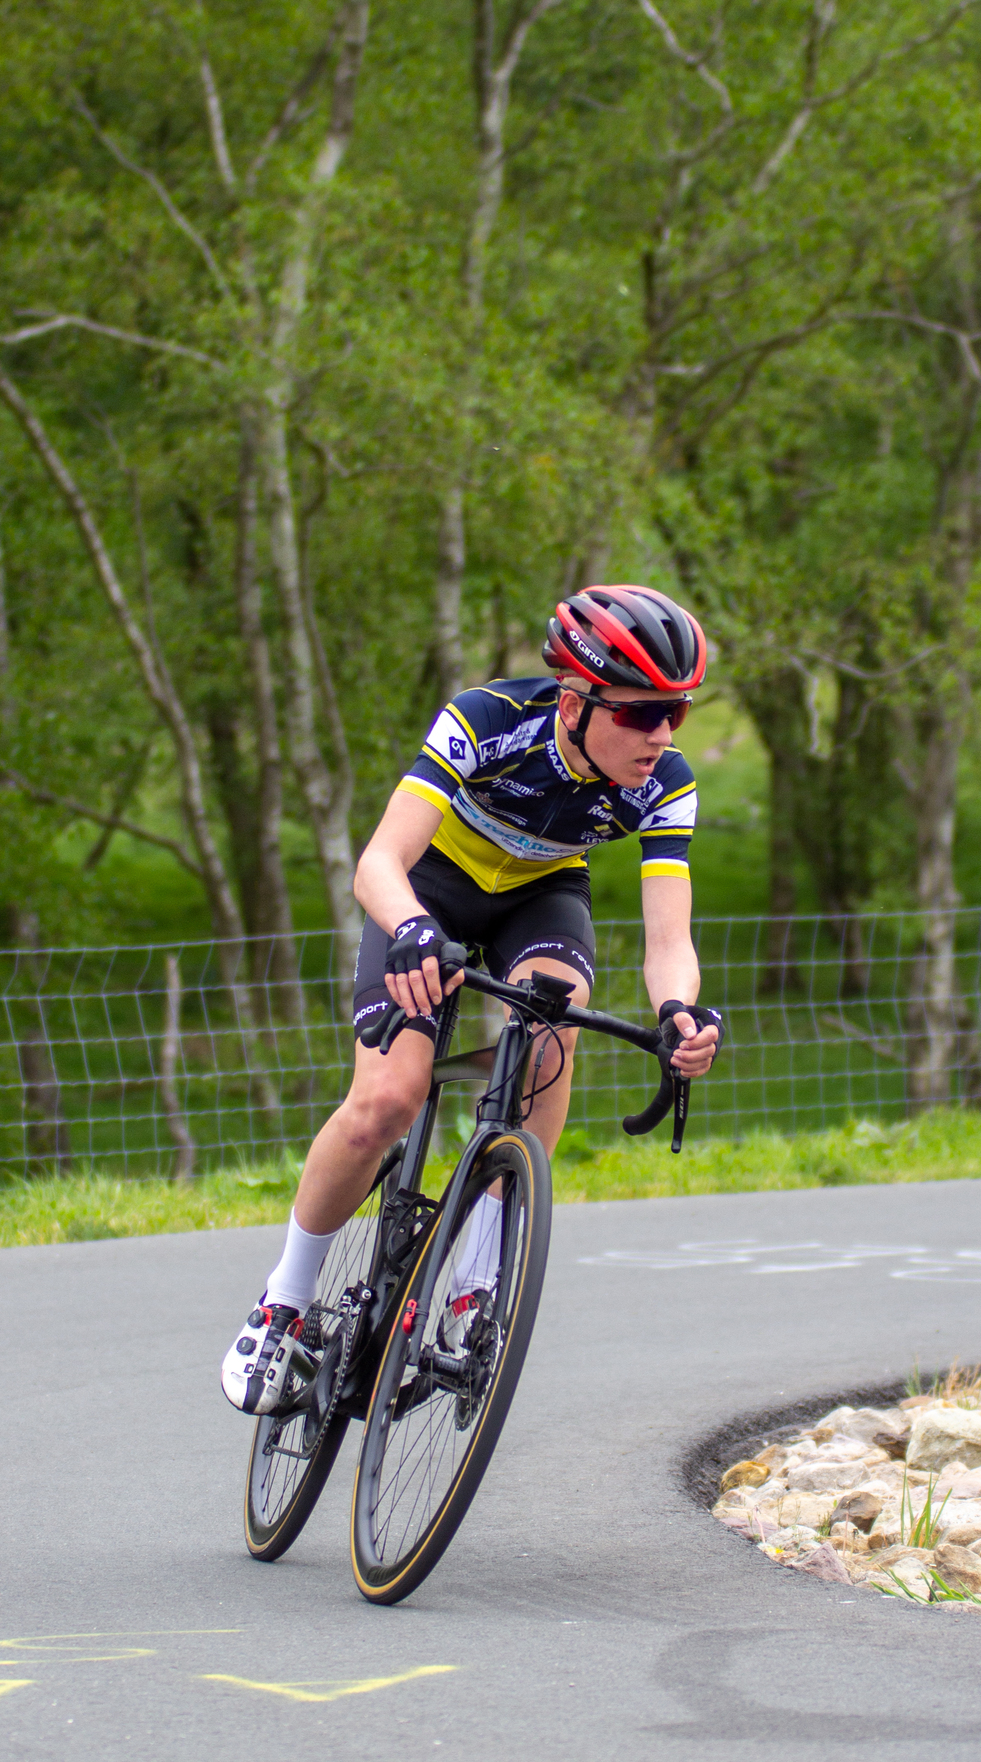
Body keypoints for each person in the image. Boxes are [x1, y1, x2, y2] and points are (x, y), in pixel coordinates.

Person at [222, 583, 723, 1412]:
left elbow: (671, 943)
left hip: (541, 894)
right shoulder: (486, 719)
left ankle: (475, 1279)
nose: (661, 734)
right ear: (573, 702)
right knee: (387, 1098)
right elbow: (379, 863)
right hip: (430, 891)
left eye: (678, 712)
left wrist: (678, 1012)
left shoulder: (664, 782)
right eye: (639, 715)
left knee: (553, 1025)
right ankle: (285, 1301)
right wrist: (413, 929)